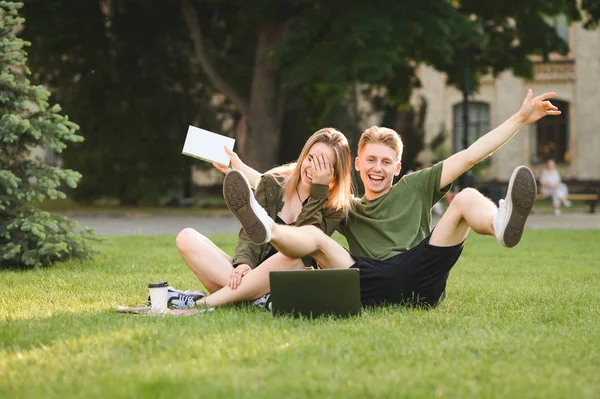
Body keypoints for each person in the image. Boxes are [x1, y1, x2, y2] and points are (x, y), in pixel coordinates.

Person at [214, 89, 560, 308]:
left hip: (420, 269)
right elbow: (285, 183)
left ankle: (500, 224)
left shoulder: (416, 186)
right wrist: (242, 169)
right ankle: (267, 227)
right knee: (316, 238)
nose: (378, 168)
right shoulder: (346, 205)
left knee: (467, 196)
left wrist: (520, 118)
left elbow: (469, 155)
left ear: (397, 167)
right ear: (358, 163)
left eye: (386, 162)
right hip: (367, 280)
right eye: (371, 160)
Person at [172, 128, 354, 308]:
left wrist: (318, 192)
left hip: (288, 276)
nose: (312, 168)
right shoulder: (271, 183)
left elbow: (305, 247)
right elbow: (249, 232)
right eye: (311, 158)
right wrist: (244, 264)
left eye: (323, 165)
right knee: (187, 237)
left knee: (292, 258)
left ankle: (202, 303)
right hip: (254, 272)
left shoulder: (334, 208)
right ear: (303, 156)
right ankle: (257, 301)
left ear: (335, 173)